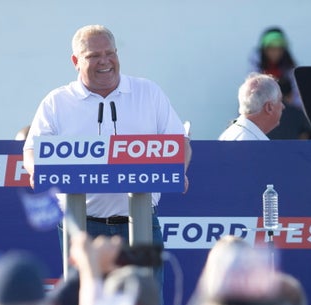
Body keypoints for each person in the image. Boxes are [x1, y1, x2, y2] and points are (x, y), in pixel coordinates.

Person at [22, 24, 191, 248]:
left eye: (109, 53)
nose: (104, 61)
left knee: (145, 285)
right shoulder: (57, 101)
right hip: (82, 228)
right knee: (85, 285)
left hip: (141, 221)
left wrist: (178, 169)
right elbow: (31, 150)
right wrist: (37, 171)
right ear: (76, 62)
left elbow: (179, 142)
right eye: (94, 56)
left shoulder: (148, 92)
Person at [247, 27, 302, 109]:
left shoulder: (290, 68)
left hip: (287, 111)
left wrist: (291, 99)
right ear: (264, 50)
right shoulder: (255, 69)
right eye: (271, 49)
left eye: (279, 49)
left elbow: (299, 98)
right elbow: (251, 97)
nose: (276, 53)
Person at [218, 73, 285, 141]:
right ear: (269, 107)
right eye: (280, 100)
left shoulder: (228, 134)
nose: (283, 106)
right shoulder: (255, 142)